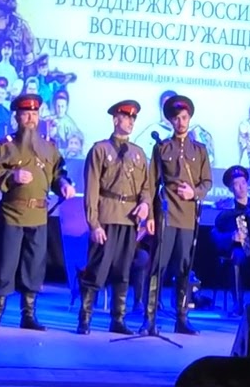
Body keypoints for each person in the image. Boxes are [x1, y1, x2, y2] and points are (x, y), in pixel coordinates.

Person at [0, 93, 76, 331]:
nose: (31, 118)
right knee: (5, 264)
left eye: (34, 114)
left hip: (39, 215)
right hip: (12, 212)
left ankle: (28, 315)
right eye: (26, 114)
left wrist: (63, 184)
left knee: (34, 266)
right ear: (17, 117)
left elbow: (58, 173)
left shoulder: (49, 146)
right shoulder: (4, 146)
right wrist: (11, 176)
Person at [77, 99, 152, 335]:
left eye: (133, 118)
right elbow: (91, 189)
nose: (130, 121)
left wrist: (145, 204)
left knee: (123, 271)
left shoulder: (138, 153)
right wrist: (94, 223)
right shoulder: (100, 150)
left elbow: (146, 187)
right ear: (115, 119)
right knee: (96, 269)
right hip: (107, 217)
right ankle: (85, 317)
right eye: (126, 117)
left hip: (129, 220)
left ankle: (118, 319)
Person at [142, 94, 211, 336]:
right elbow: (151, 184)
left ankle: (182, 318)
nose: (180, 122)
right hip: (166, 215)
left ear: (189, 118)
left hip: (188, 217)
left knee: (184, 267)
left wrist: (195, 192)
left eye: (184, 117)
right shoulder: (161, 148)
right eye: (176, 119)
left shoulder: (199, 150)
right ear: (171, 121)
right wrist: (150, 217)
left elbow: (207, 182)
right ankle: (149, 318)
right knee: (157, 267)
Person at [213, 165, 250, 316]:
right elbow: (215, 234)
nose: (241, 187)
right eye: (236, 184)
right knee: (236, 257)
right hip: (242, 251)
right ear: (231, 189)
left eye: (243, 183)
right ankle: (238, 304)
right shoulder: (227, 212)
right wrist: (231, 237)